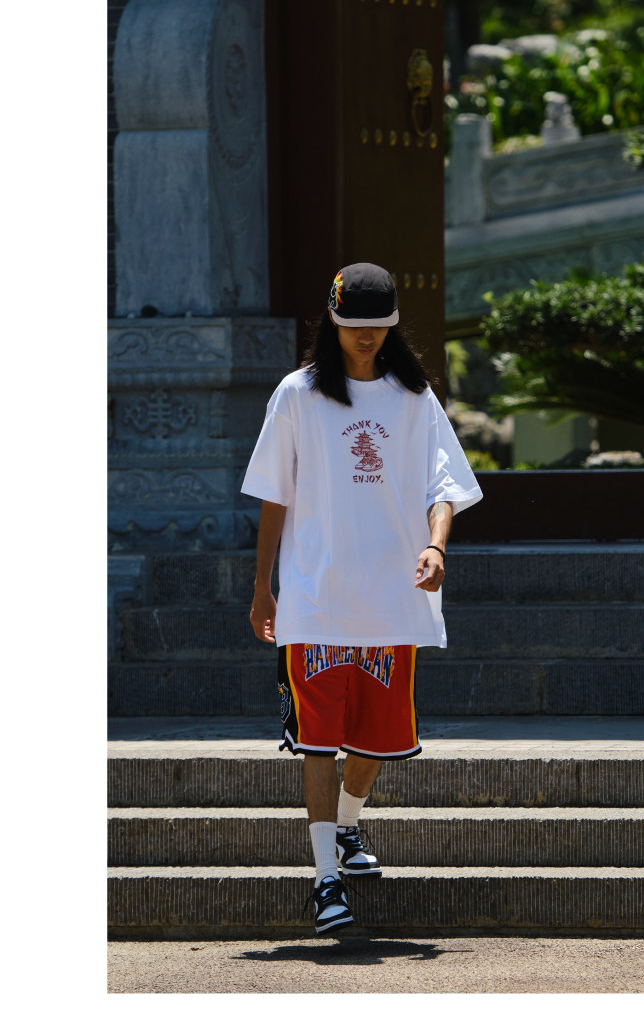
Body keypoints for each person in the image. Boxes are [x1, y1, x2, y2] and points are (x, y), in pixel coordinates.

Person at [241, 262, 482, 935]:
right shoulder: (298, 394)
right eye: (353, 326)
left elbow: (444, 484)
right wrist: (263, 587)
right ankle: (326, 880)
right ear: (333, 321)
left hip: (391, 597)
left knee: (377, 739)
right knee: (318, 740)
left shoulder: (414, 398)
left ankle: (347, 825)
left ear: (393, 326)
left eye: (377, 326)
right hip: (315, 596)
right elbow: (273, 494)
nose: (365, 337)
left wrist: (436, 546)